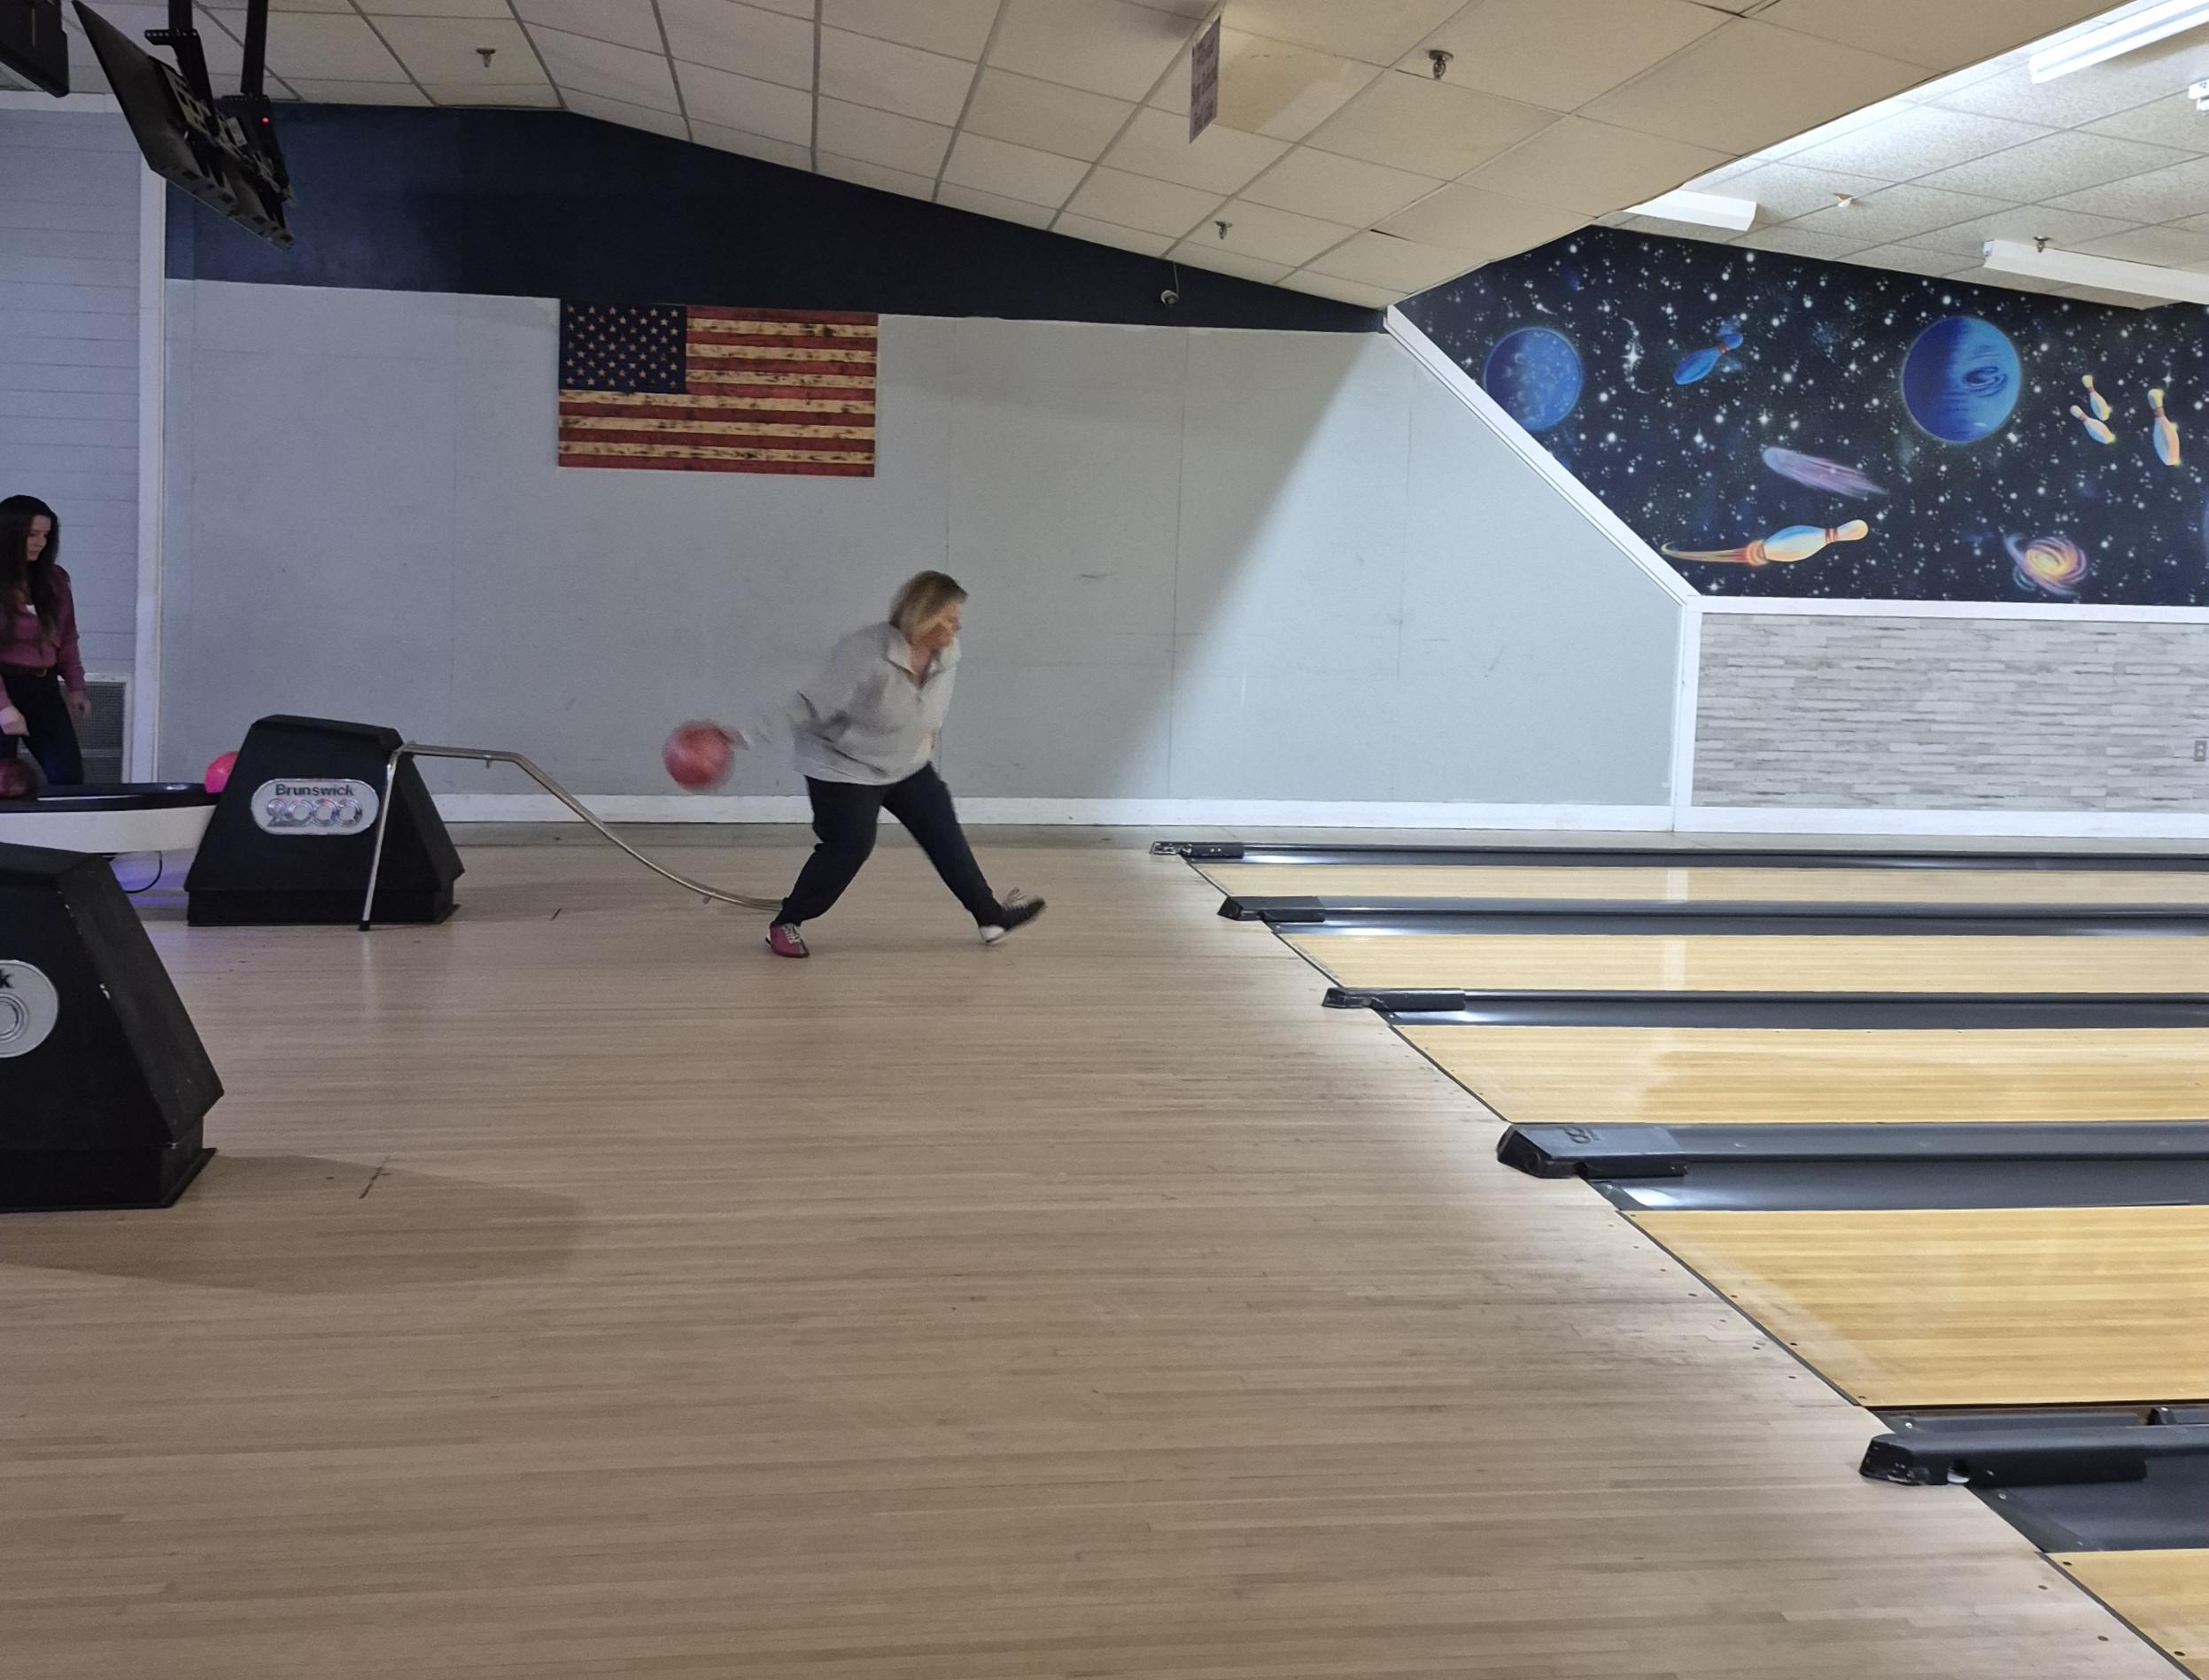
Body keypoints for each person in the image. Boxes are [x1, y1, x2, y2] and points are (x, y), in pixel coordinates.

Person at [723, 570, 1043, 958]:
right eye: (947, 616)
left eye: (957, 615)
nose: (957, 624)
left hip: (905, 764)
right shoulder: (865, 652)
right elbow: (808, 705)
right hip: (843, 764)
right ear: (919, 615)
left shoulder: (948, 651)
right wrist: (738, 736)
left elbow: (931, 700)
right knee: (850, 847)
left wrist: (928, 730)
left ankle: (990, 917)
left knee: (944, 835)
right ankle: (786, 922)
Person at [0, 495, 89, 787]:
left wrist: (76, 687)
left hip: (42, 687)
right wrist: (4, 708)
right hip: (4, 683)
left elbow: (66, 637)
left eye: (46, 536)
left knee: (67, 775)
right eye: (32, 534)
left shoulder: (55, 580)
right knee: (4, 781)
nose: (40, 542)